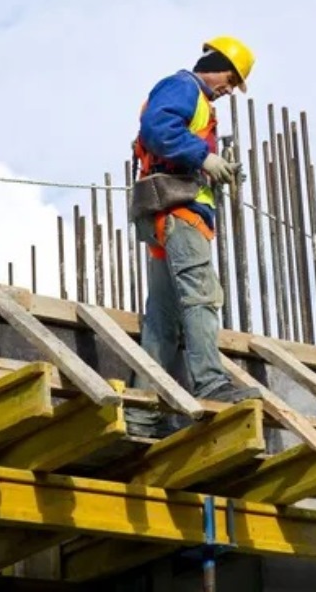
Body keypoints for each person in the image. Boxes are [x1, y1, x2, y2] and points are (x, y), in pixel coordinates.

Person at [127, 36, 260, 437]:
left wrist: (216, 168)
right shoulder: (185, 86)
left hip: (167, 213)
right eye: (231, 79)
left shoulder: (198, 103)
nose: (230, 89)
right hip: (180, 213)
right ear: (216, 64)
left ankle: (142, 414)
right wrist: (203, 157)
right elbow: (157, 128)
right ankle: (212, 383)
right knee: (201, 296)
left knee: (163, 321)